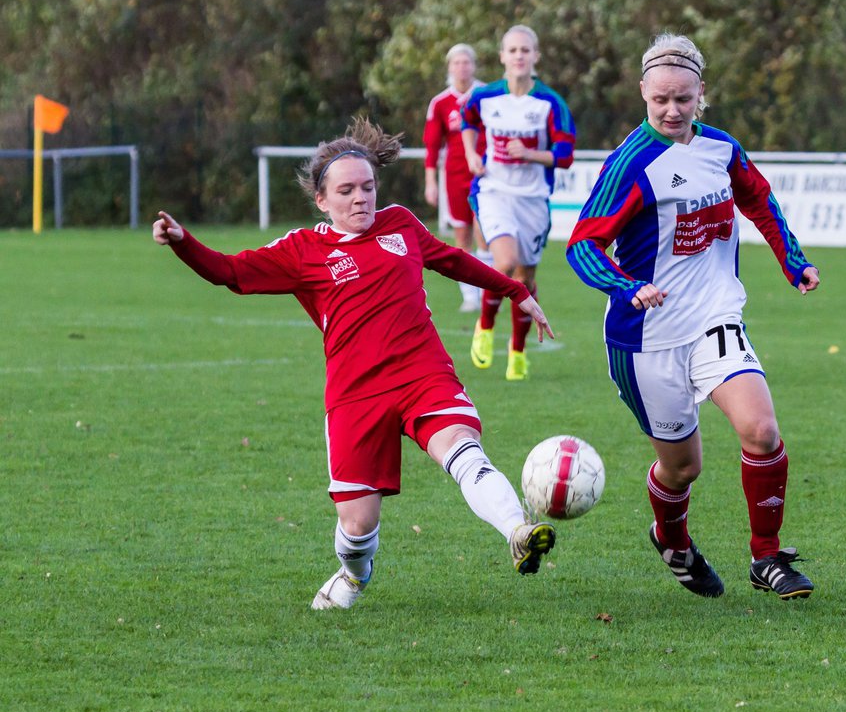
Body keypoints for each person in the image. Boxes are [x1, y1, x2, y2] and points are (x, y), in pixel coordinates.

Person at [153, 118, 557, 610]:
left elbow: (453, 260)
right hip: (356, 393)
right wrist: (182, 241)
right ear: (322, 200)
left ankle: (517, 530)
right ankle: (354, 573)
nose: (361, 198)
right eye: (347, 191)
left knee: (462, 449)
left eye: (368, 187)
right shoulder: (303, 251)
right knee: (358, 524)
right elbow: (230, 272)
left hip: (422, 373)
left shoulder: (401, 225)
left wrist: (515, 291)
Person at [565, 33, 820, 600]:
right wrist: (626, 285)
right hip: (646, 338)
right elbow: (582, 245)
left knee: (761, 431)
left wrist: (792, 260)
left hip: (714, 315)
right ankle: (672, 539)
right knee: (682, 470)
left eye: (683, 98)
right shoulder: (630, 164)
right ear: (643, 94)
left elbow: (758, 198)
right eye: (660, 100)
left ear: (701, 92)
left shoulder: (721, 150)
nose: (672, 111)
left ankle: (767, 556)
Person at [460, 24, 575, 381]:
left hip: (534, 200)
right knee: (505, 262)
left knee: (526, 276)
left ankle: (518, 352)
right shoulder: (486, 97)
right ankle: (485, 325)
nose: (519, 56)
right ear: (502, 57)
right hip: (495, 191)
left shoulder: (550, 103)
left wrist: (530, 154)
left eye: (526, 50)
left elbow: (565, 154)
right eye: (512, 50)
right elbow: (468, 120)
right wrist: (470, 154)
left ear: (536, 56)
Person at [424, 43, 489, 312]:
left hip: (485, 175)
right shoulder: (440, 103)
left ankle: (488, 293)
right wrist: (431, 182)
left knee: (483, 230)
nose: (462, 68)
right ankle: (470, 297)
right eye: (456, 63)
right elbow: (431, 146)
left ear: (474, 65)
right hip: (454, 176)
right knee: (461, 236)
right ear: (449, 68)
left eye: (466, 62)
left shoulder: (488, 95)